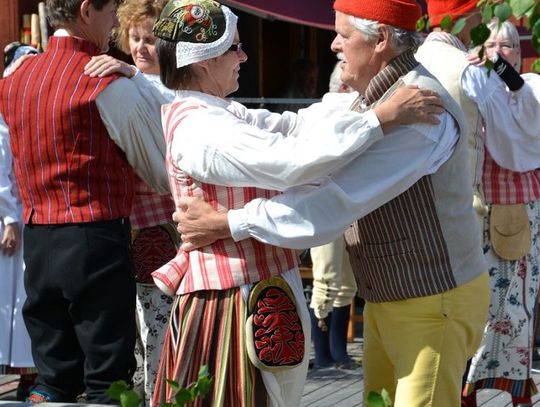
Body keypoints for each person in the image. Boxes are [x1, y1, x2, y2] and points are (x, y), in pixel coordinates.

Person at [173, 0, 494, 405]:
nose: (333, 46)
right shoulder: (376, 97)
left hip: (433, 299)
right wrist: (213, 108)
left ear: (379, 40)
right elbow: (300, 124)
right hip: (393, 293)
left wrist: (230, 223)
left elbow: (335, 200)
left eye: (343, 35)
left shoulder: (419, 111)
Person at [0, 0, 171, 403]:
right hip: (95, 241)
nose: (115, 19)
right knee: (107, 380)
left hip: (38, 243)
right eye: (111, 8)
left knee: (53, 377)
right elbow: (161, 173)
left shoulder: (14, 79)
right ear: (86, 10)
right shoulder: (104, 80)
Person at [461, 20, 540, 407]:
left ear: (520, 53)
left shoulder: (533, 87)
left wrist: (501, 70)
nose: (496, 51)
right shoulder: (476, 86)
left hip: (522, 211)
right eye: (490, 43)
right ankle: (467, 389)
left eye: (506, 45)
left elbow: (525, 117)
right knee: (476, 304)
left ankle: (518, 392)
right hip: (477, 211)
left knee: (518, 308)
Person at [108, 0, 176, 404]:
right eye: (134, 39)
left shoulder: (172, 87)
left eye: (150, 40)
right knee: (137, 330)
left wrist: (132, 75)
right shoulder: (130, 81)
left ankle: (158, 397)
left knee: (158, 327)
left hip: (161, 227)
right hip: (129, 227)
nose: (140, 47)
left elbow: (162, 99)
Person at [309, 59, 358, 371]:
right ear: (342, 87)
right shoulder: (324, 116)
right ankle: (323, 354)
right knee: (325, 278)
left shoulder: (362, 116)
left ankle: (338, 352)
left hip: (351, 205)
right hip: (324, 205)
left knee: (348, 281)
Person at [0, 45, 38, 400]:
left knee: (27, 295)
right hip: (12, 217)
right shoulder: (4, 110)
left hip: (28, 212)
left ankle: (30, 371)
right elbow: (1, 172)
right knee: (11, 299)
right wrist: (10, 218)